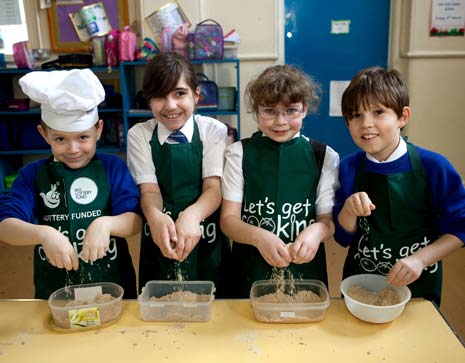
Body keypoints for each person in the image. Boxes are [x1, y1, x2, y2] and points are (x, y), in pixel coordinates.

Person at [0, 69, 141, 299]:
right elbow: (5, 225)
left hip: (112, 286)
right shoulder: (31, 175)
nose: (73, 149)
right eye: (60, 139)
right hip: (57, 289)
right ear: (44, 134)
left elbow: (135, 221)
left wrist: (106, 224)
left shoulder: (112, 167)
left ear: (99, 129)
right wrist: (44, 234)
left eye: (83, 137)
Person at [333, 66, 465, 305]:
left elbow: (460, 227)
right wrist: (348, 212)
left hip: (419, 284)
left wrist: (421, 259)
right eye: (356, 115)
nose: (366, 124)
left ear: (402, 116)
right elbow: (343, 237)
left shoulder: (434, 167)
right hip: (361, 284)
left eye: (378, 112)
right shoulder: (348, 168)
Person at [220, 64, 340, 298]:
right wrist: (259, 237)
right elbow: (228, 220)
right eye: (269, 111)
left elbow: (327, 221)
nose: (280, 121)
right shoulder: (238, 153)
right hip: (250, 267)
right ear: (256, 110)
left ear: (304, 109)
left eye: (291, 111)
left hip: (305, 268)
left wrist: (316, 232)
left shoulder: (324, 155)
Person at [126, 52, 230, 294]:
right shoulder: (139, 135)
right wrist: (154, 216)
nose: (170, 105)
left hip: (206, 232)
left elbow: (213, 188)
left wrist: (192, 216)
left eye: (179, 93)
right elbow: (149, 190)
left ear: (196, 95)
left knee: (214, 301)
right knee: (162, 300)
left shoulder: (213, 130)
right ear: (148, 101)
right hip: (160, 231)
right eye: (159, 96)